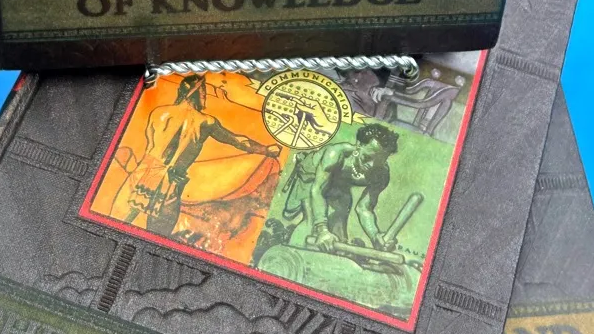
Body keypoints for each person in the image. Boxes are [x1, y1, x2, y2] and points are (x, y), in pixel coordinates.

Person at [125, 74, 281, 236]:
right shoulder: (205, 121)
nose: (205, 96)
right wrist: (266, 150)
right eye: (203, 92)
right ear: (194, 92)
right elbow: (238, 141)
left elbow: (150, 145)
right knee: (158, 235)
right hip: (169, 182)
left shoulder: (158, 113)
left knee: (124, 219)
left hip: (143, 174)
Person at [281, 123, 400, 252]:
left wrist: (375, 236)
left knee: (339, 233)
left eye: (379, 162)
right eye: (367, 158)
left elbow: (364, 208)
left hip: (340, 184)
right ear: (359, 145)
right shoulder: (335, 154)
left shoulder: (381, 175)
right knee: (311, 223)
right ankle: (289, 254)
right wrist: (322, 230)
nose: (371, 165)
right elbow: (317, 190)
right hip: (312, 177)